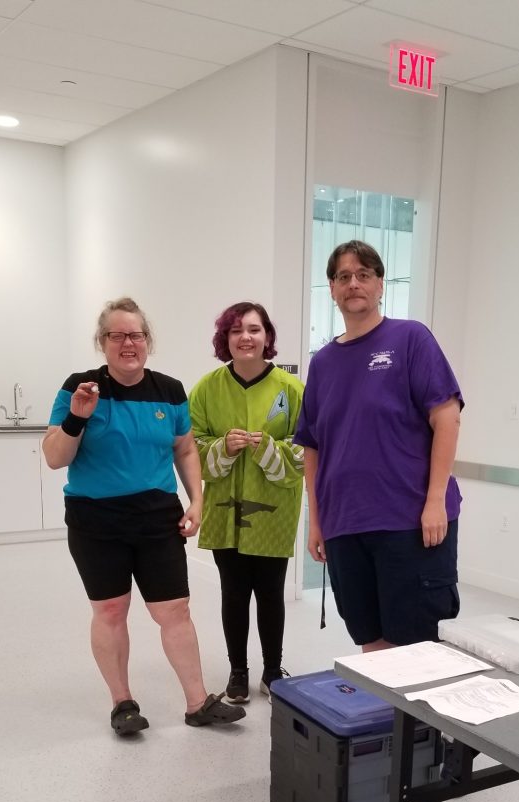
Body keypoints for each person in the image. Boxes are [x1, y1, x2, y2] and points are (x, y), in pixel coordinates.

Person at [42, 297, 245, 734]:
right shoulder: (80, 388)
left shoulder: (169, 391)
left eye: (135, 334)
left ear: (147, 340)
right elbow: (55, 457)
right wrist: (77, 418)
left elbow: (185, 448)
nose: (127, 343)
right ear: (102, 342)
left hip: (156, 518)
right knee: (111, 610)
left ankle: (198, 703)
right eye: (116, 335)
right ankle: (123, 704)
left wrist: (197, 501)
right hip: (96, 522)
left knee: (175, 610)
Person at [294, 240, 463, 651]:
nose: (354, 283)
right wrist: (317, 521)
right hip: (345, 523)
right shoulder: (323, 363)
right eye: (343, 276)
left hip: (408, 520)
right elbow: (313, 447)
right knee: (368, 638)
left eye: (364, 275)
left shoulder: (410, 339)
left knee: (415, 643)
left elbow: (447, 417)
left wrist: (435, 500)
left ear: (380, 284)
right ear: (332, 288)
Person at [189, 302, 304, 702]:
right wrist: (222, 447)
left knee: (271, 591)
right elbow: (189, 446)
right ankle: (238, 671)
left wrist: (267, 448)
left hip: (275, 509)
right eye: (236, 330)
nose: (245, 337)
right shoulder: (207, 388)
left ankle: (273, 670)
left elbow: (308, 448)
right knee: (233, 592)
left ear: (267, 336)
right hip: (225, 508)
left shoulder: (292, 389)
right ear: (226, 338)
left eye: (254, 329)